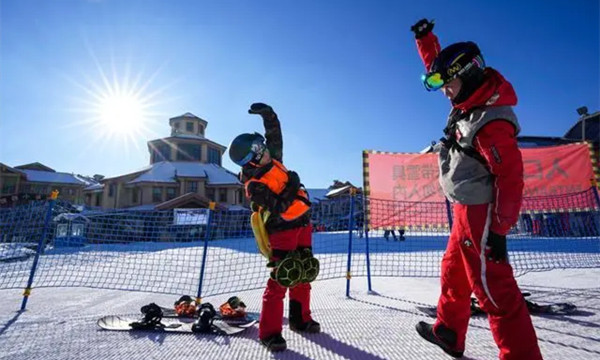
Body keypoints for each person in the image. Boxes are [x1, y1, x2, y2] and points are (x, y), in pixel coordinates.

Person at [410, 19, 543, 360]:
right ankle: (449, 331)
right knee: (453, 270)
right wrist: (425, 40)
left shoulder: (491, 122)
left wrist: (498, 230)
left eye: (447, 82)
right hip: (463, 207)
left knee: (493, 289)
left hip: (481, 212)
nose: (443, 90)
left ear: (467, 75)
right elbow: (438, 66)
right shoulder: (468, 102)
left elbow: (510, 179)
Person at [229, 103, 321, 352]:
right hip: (282, 230)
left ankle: (300, 319)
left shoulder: (273, 159)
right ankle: (269, 332)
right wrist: (293, 183)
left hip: (302, 223)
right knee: (282, 277)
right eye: (260, 149)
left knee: (303, 273)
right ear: (253, 157)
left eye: (264, 146)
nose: (267, 150)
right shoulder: (254, 185)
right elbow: (279, 205)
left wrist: (268, 115)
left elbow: (275, 134)